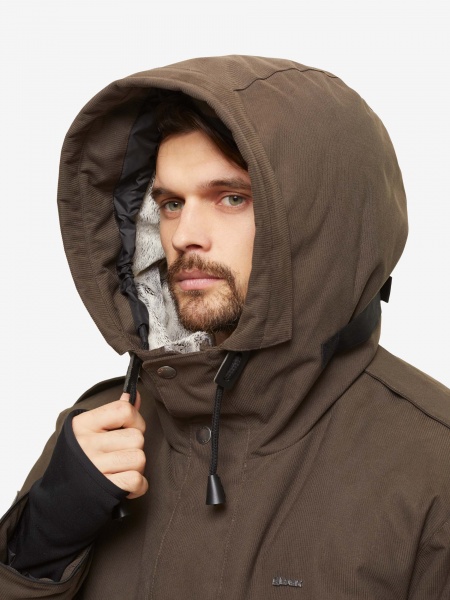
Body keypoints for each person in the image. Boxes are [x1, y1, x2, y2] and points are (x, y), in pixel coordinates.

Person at [0, 55, 449, 599]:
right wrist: (38, 548)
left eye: (231, 198)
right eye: (170, 203)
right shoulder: (102, 430)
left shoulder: (433, 465)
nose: (183, 235)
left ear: (320, 219)